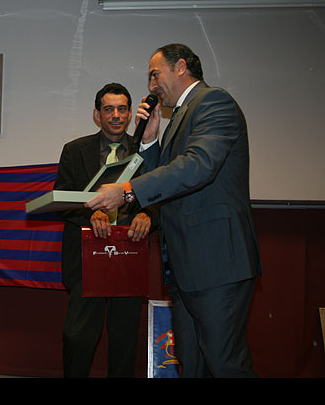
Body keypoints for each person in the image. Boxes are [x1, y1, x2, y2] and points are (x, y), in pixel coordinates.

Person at [86, 44, 262, 377]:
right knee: (191, 362)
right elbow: (167, 182)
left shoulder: (213, 102)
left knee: (224, 364)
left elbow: (197, 167)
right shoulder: (179, 116)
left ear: (180, 67)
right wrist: (150, 141)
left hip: (217, 263)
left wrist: (126, 190)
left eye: (155, 75)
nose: (151, 85)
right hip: (187, 267)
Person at [54, 82, 157, 378]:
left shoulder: (145, 151)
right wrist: (92, 213)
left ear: (130, 114)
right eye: (108, 109)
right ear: (96, 114)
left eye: (122, 109)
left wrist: (148, 215)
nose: (116, 116)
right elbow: (62, 201)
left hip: (129, 256)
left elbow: (161, 196)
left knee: (124, 341)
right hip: (85, 260)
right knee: (77, 337)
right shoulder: (75, 150)